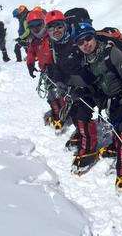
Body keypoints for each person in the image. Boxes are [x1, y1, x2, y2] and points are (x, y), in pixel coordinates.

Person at [74, 21, 122, 192]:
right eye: (80, 42)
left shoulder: (112, 53)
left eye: (88, 38)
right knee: (116, 125)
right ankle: (119, 147)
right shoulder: (86, 61)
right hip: (111, 100)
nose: (85, 44)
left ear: (94, 37)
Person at [44, 10, 99, 173]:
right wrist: (58, 78)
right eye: (52, 28)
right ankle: (83, 135)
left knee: (82, 114)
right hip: (72, 88)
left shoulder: (77, 41)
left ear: (65, 25)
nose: (56, 31)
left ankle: (89, 147)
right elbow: (60, 66)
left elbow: (90, 68)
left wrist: (82, 88)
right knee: (75, 112)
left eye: (59, 26)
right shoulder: (56, 45)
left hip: (88, 88)